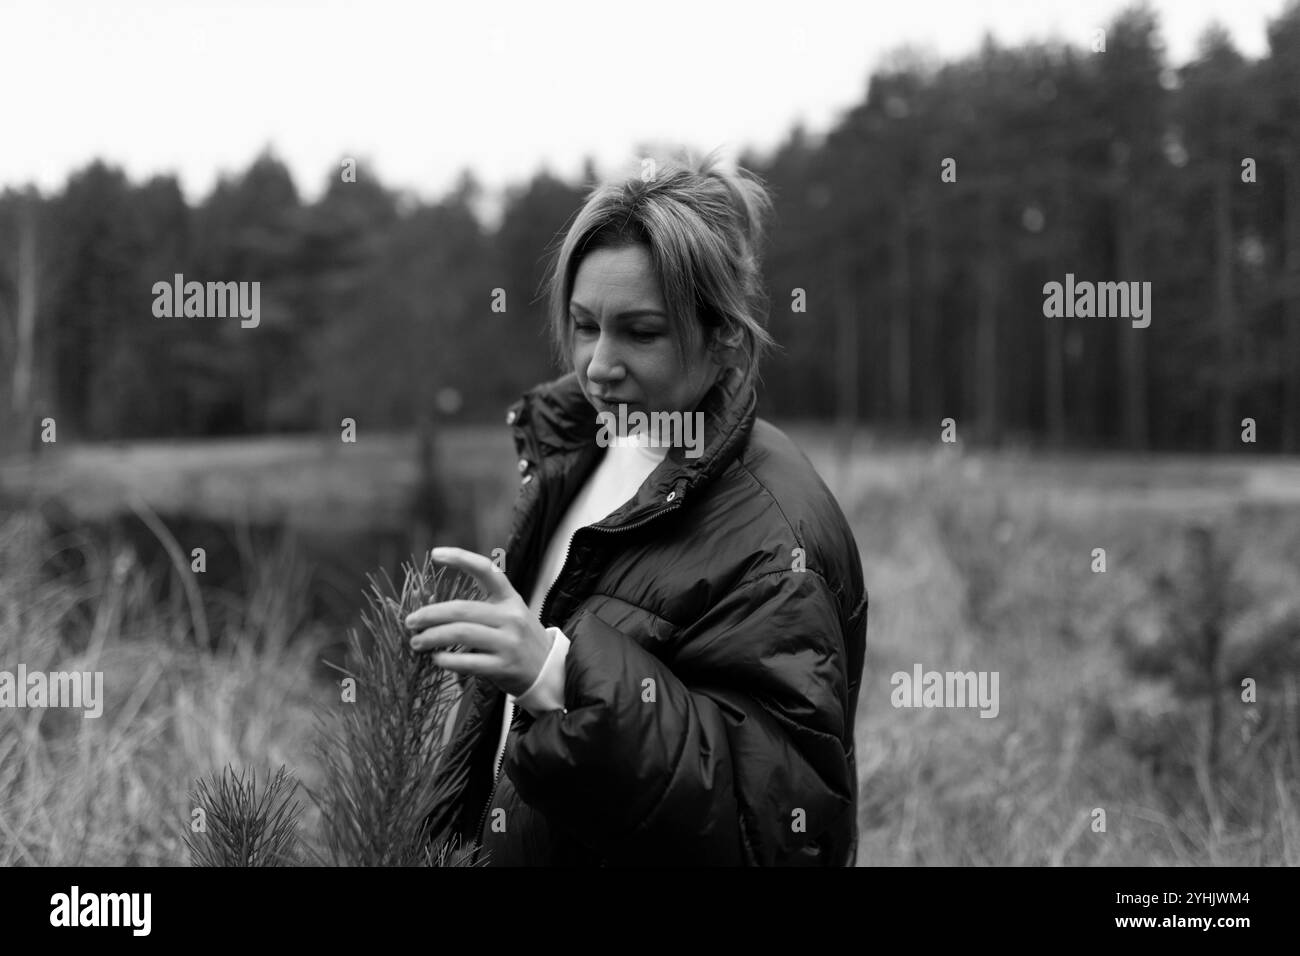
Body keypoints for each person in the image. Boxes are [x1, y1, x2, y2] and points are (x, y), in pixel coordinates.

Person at [409, 149, 868, 866]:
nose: (597, 365)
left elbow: (780, 834)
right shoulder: (584, 449)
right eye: (586, 325)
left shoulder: (780, 538)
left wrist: (560, 674)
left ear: (725, 340)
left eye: (641, 332)